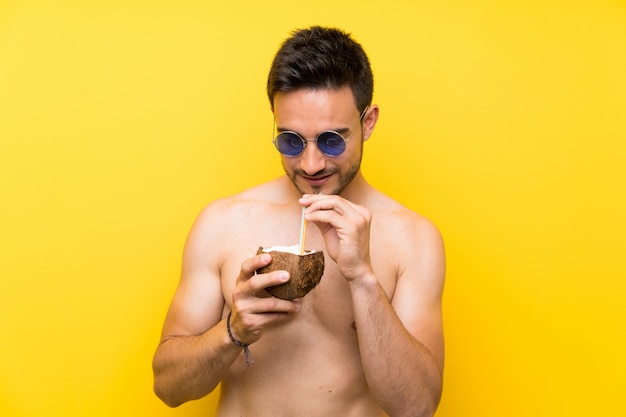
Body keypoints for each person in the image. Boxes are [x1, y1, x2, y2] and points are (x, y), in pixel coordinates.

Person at [152, 26, 445, 417]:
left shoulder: (412, 239)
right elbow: (168, 387)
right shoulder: (223, 224)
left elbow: (417, 407)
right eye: (291, 140)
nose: (311, 164)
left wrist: (363, 279)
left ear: (368, 122)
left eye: (331, 140)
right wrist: (231, 332)